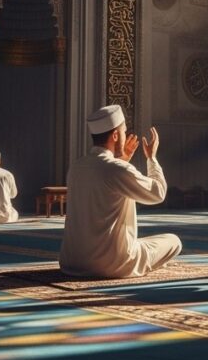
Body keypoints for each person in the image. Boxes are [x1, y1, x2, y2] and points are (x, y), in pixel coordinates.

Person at [59, 104, 182, 278]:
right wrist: (152, 159)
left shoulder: (76, 167)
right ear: (116, 135)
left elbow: (107, 181)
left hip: (71, 262)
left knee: (143, 243)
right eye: (124, 132)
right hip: (112, 264)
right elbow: (158, 193)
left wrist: (123, 161)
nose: (126, 135)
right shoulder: (117, 169)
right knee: (173, 241)